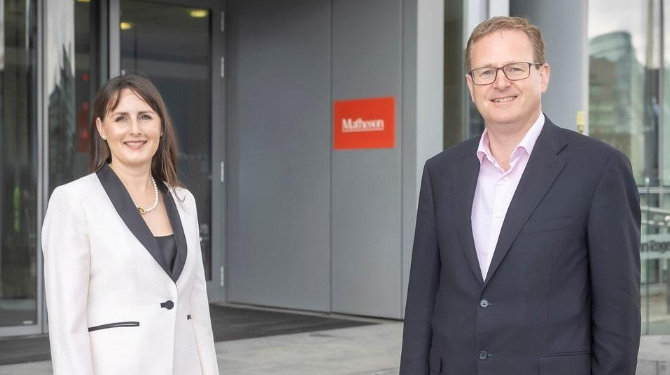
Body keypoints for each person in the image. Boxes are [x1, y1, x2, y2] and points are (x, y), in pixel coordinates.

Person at [400, 16, 640, 375]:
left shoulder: (600, 168)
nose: (500, 83)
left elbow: (618, 315)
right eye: (486, 72)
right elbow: (421, 300)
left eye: (515, 68)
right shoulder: (441, 172)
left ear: (542, 75)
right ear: (470, 85)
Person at [42, 74, 220, 375]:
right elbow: (66, 323)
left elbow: (197, 309)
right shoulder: (74, 201)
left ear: (160, 127)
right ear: (101, 128)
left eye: (145, 117)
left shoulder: (183, 201)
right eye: (121, 118)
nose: (135, 130)